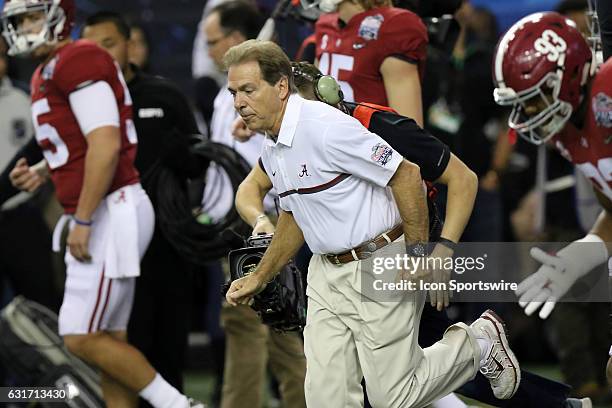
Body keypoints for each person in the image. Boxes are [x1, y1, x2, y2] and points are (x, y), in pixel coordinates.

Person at [237, 60, 591, 408]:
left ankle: (491, 351)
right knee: (332, 394)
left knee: (397, 390)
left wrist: (436, 252)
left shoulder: (370, 125)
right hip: (333, 264)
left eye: (248, 90)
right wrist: (261, 261)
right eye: (235, 92)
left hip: (394, 251)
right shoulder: (279, 141)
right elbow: (279, 204)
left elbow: (462, 180)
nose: (239, 102)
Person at [1, 1, 203, 407]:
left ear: (59, 15)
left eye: (33, 17)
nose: (24, 28)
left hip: (109, 208)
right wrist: (45, 170)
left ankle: (180, 405)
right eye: (19, 20)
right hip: (105, 208)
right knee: (109, 338)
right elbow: (81, 141)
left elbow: (107, 143)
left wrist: (84, 217)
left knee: (78, 335)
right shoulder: (48, 70)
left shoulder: (79, 57)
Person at [80, 11, 205, 403]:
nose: (100, 54)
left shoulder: (165, 95)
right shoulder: (81, 103)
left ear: (131, 48)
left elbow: (200, 160)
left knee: (169, 340)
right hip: (110, 242)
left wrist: (180, 154)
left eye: (109, 44)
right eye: (90, 47)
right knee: (121, 339)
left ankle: (174, 400)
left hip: (167, 241)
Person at [494, 10, 612, 401]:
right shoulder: (567, 133)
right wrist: (587, 250)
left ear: (570, 75)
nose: (529, 114)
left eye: (535, 99)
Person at [200, 3, 307, 407]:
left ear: (233, 40)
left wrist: (263, 223)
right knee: (282, 327)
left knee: (244, 323)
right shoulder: (225, 97)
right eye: (236, 93)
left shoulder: (275, 101)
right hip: (251, 220)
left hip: (254, 227)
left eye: (213, 42)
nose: (209, 51)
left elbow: (260, 176)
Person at [312, 0, 427, 125]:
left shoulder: (393, 27)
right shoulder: (326, 25)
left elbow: (408, 131)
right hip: (324, 135)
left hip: (368, 141)